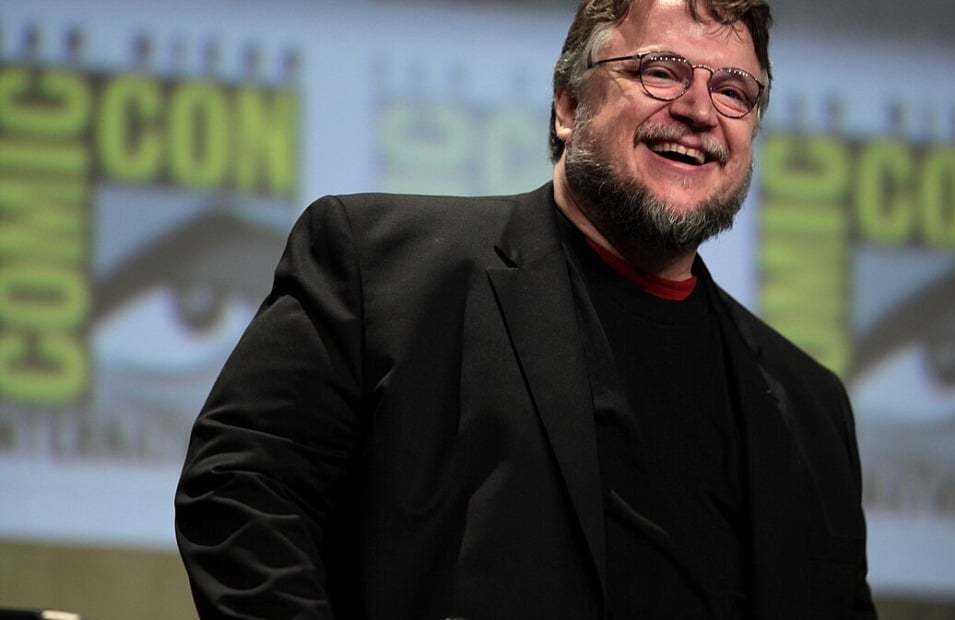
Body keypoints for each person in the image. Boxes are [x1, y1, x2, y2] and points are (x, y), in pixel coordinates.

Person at [174, 0, 876, 618]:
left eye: (733, 91)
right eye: (662, 72)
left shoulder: (811, 405)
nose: (699, 110)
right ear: (568, 106)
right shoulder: (379, 266)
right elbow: (239, 493)